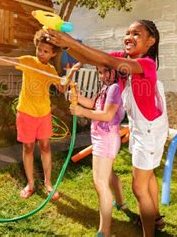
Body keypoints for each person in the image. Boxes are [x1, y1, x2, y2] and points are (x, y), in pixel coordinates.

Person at [47, 20, 168, 237]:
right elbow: (92, 58)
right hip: (142, 128)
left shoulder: (146, 63)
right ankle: (156, 219)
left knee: (139, 188)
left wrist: (70, 41)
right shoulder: (124, 58)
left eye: (136, 34)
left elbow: (106, 60)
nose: (129, 37)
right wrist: (65, 45)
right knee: (147, 177)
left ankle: (149, 232)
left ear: (151, 41)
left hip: (149, 130)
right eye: (127, 32)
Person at [0, 29, 65, 200]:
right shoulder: (28, 61)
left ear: (53, 54)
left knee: (45, 147)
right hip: (26, 113)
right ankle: (30, 183)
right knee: (28, 147)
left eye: (46, 51)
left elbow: (61, 87)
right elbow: (8, 60)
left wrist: (67, 79)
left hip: (43, 114)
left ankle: (48, 183)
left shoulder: (51, 70)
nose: (41, 53)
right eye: (39, 49)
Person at [69, 66, 127, 237]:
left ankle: (105, 231)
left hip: (106, 139)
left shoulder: (115, 88)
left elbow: (107, 115)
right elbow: (93, 104)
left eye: (105, 72)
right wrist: (77, 97)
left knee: (100, 183)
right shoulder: (105, 88)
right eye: (99, 72)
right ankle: (121, 202)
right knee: (108, 175)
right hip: (101, 137)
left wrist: (82, 112)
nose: (101, 76)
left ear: (115, 72)